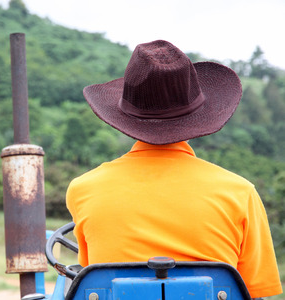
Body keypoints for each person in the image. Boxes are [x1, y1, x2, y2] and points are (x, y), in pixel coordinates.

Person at [66, 40, 282, 298]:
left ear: (124, 117)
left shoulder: (82, 190)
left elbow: (94, 277)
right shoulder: (241, 193)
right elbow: (255, 293)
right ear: (199, 115)